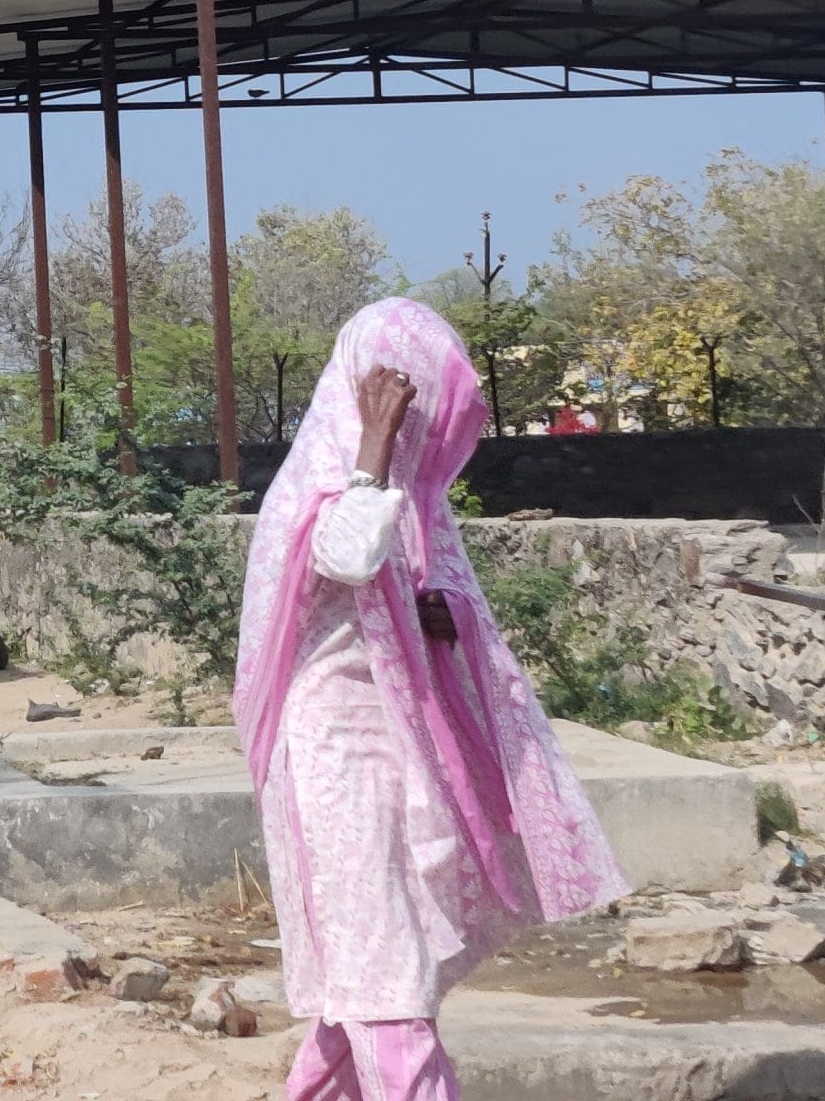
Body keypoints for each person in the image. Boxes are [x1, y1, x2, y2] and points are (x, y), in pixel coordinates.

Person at [236, 298, 629, 1101]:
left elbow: (402, 591)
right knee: (385, 980)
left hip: (401, 742)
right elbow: (345, 555)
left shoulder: (411, 504)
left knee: (377, 969)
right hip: (333, 749)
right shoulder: (322, 484)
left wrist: (436, 624)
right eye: (400, 401)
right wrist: (373, 445)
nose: (415, 427)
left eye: (420, 411)